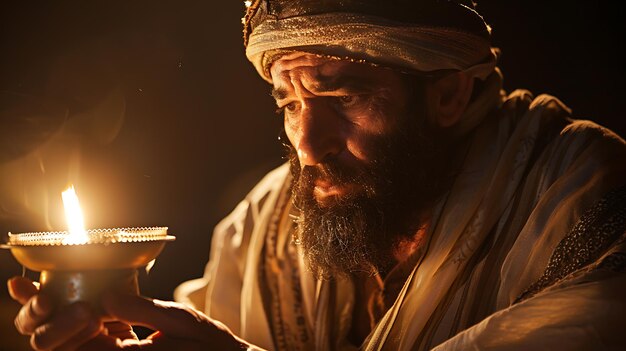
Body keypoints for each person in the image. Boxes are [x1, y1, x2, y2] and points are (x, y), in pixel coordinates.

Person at [7, 0, 626, 350]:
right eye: (290, 102)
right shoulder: (265, 225)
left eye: (344, 98)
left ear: (450, 96)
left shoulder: (582, 196)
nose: (306, 145)